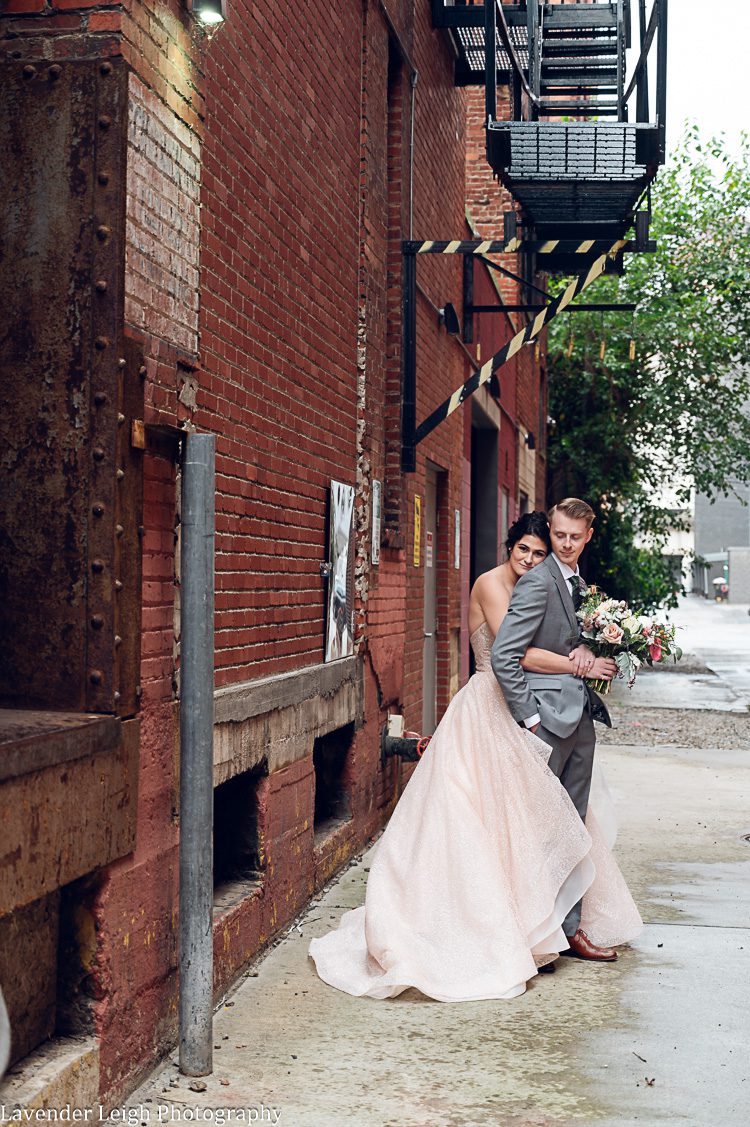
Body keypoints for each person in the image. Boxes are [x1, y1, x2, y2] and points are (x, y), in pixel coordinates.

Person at [309, 512, 642, 1001]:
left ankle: (548, 924)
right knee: (478, 817)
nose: (530, 558)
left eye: (539, 552)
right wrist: (581, 663)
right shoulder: (491, 584)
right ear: (511, 546)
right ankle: (499, 925)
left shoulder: (553, 584)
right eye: (524, 549)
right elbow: (517, 652)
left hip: (522, 705)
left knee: (531, 819)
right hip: (489, 706)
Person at [492, 497, 620, 961]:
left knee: (573, 829)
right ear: (551, 528)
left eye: (574, 537)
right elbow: (504, 654)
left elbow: (572, 648)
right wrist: (530, 718)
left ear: (588, 536)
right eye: (558, 535)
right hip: (546, 723)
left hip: (580, 720)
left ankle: (568, 932)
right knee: (540, 830)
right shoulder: (537, 582)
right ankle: (534, 936)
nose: (564, 545)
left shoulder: (577, 583)